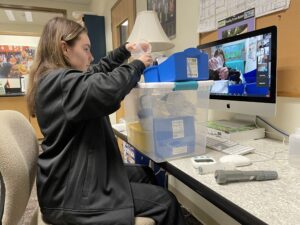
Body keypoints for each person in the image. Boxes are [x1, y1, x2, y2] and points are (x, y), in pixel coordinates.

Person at [27, 17, 187, 225]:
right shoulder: (60, 82)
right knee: (166, 202)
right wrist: (138, 64)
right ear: (64, 48)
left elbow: (96, 71)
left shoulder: (58, 80)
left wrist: (125, 50)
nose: (91, 56)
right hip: (71, 193)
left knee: (144, 172)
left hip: (72, 175)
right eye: (86, 49)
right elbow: (108, 88)